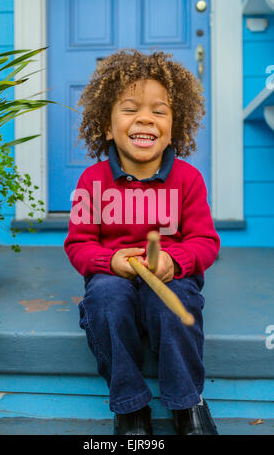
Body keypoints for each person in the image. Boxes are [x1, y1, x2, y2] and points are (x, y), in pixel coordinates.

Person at [64, 50, 220, 435]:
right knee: (105, 299)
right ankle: (131, 407)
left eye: (159, 111)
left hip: (170, 277)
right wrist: (110, 262)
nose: (145, 118)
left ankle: (187, 403)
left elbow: (205, 241)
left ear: (174, 127)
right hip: (113, 277)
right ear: (105, 125)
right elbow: (79, 244)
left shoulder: (188, 180)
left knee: (174, 301)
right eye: (130, 109)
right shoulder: (92, 182)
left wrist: (174, 260)